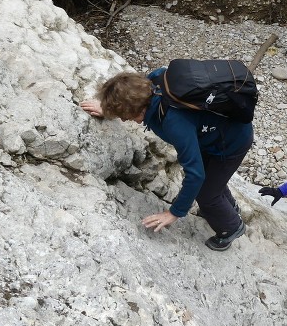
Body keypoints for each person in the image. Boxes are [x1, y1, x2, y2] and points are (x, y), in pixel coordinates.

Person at [80, 70, 252, 252]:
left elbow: (195, 174)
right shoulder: (153, 82)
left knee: (206, 193)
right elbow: (128, 97)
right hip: (213, 134)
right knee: (212, 180)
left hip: (231, 143)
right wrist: (109, 110)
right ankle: (228, 206)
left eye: (126, 116)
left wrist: (174, 213)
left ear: (137, 110)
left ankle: (231, 227)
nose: (125, 120)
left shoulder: (174, 122)